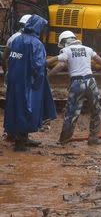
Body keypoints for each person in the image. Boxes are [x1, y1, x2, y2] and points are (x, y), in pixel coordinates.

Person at [47, 31, 101, 145]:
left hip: (76, 83)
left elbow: (60, 65)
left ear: (64, 42)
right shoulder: (88, 49)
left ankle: (64, 139)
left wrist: (46, 76)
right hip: (91, 82)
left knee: (72, 112)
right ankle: (93, 138)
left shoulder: (66, 51)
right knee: (97, 108)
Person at [4, 15, 57, 151]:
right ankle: (20, 143)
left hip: (14, 81)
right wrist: (38, 83)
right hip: (28, 82)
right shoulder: (36, 43)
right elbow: (38, 66)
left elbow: (10, 59)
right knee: (27, 110)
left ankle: (22, 138)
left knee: (16, 109)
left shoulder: (17, 40)